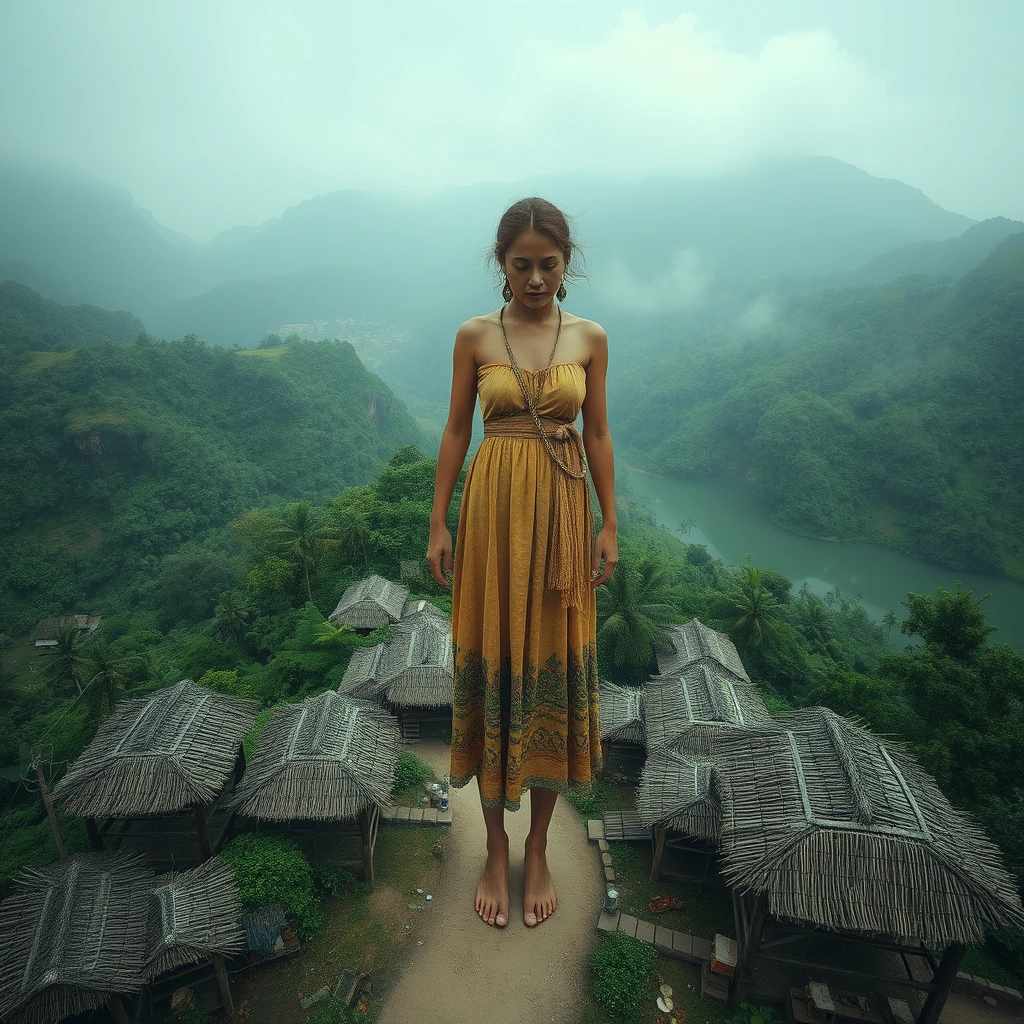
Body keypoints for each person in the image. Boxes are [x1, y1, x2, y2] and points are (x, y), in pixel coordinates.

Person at [426, 197, 617, 929]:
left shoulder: (590, 338)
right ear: (500, 265)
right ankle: (493, 846)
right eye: (521, 264)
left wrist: (609, 524)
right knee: (495, 669)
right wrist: (438, 520)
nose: (535, 278)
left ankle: (537, 847)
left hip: (564, 525)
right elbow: (452, 430)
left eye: (548, 264)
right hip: (493, 521)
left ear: (566, 264)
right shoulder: (475, 336)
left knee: (551, 675)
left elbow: (597, 435)